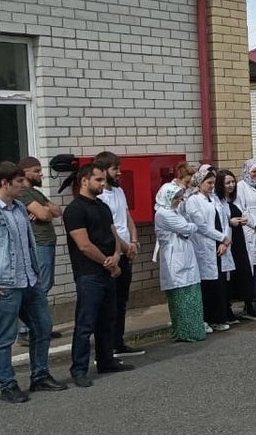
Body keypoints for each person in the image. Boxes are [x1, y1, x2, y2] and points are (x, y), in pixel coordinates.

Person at [0, 160, 64, 403]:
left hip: (29, 282)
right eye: (18, 182)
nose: (22, 186)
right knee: (5, 337)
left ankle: (40, 376)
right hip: (5, 285)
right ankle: (7, 385)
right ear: (5, 183)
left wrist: (35, 276)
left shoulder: (18, 208)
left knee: (42, 328)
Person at [63, 162, 135, 385]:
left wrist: (116, 254)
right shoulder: (75, 209)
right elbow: (84, 245)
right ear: (85, 181)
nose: (103, 184)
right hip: (89, 273)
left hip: (108, 270)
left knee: (108, 318)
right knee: (86, 323)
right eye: (99, 180)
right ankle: (79, 369)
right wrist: (108, 262)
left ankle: (106, 360)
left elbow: (113, 234)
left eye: (104, 180)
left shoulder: (102, 207)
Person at [94, 151, 143, 357]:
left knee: (121, 301)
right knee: (109, 303)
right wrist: (123, 246)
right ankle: (107, 346)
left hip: (126, 250)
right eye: (115, 169)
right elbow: (110, 227)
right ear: (104, 171)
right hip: (113, 252)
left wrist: (133, 241)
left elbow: (127, 217)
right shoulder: (100, 196)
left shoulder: (119, 191)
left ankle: (118, 341)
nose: (120, 173)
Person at [15, 156, 63, 339]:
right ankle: (27, 329)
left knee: (46, 283)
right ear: (24, 173)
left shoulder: (36, 193)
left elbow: (57, 211)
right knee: (39, 286)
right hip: (39, 244)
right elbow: (44, 214)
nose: (40, 173)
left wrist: (46, 210)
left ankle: (40, 326)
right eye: (36, 170)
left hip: (47, 243)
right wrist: (45, 210)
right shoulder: (24, 193)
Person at [152, 181, 206, 342]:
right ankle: (184, 333)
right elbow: (188, 228)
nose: (179, 201)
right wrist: (189, 227)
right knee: (181, 298)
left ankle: (195, 332)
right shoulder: (164, 213)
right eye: (176, 198)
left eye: (180, 198)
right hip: (174, 258)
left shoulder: (173, 211)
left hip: (184, 255)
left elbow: (187, 228)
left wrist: (188, 227)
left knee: (192, 296)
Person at [184, 165, 233, 332]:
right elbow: (201, 226)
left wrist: (224, 241)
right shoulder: (193, 201)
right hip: (205, 246)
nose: (212, 186)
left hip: (219, 246)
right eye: (209, 183)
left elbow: (224, 221)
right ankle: (205, 319)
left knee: (218, 284)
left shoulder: (215, 199)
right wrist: (222, 238)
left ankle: (218, 319)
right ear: (199, 183)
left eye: (213, 183)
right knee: (207, 285)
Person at [218, 168, 256, 321]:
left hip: (239, 240)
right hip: (227, 240)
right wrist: (231, 223)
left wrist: (252, 223)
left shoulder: (233, 199)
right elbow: (218, 222)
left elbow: (243, 212)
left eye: (232, 182)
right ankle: (228, 309)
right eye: (227, 183)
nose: (231, 185)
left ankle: (248, 305)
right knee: (230, 276)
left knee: (244, 271)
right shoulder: (218, 202)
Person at [236, 158, 256, 301]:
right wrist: (255, 224)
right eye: (253, 171)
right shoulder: (240, 187)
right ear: (247, 172)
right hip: (250, 229)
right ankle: (253, 293)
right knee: (253, 261)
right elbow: (240, 209)